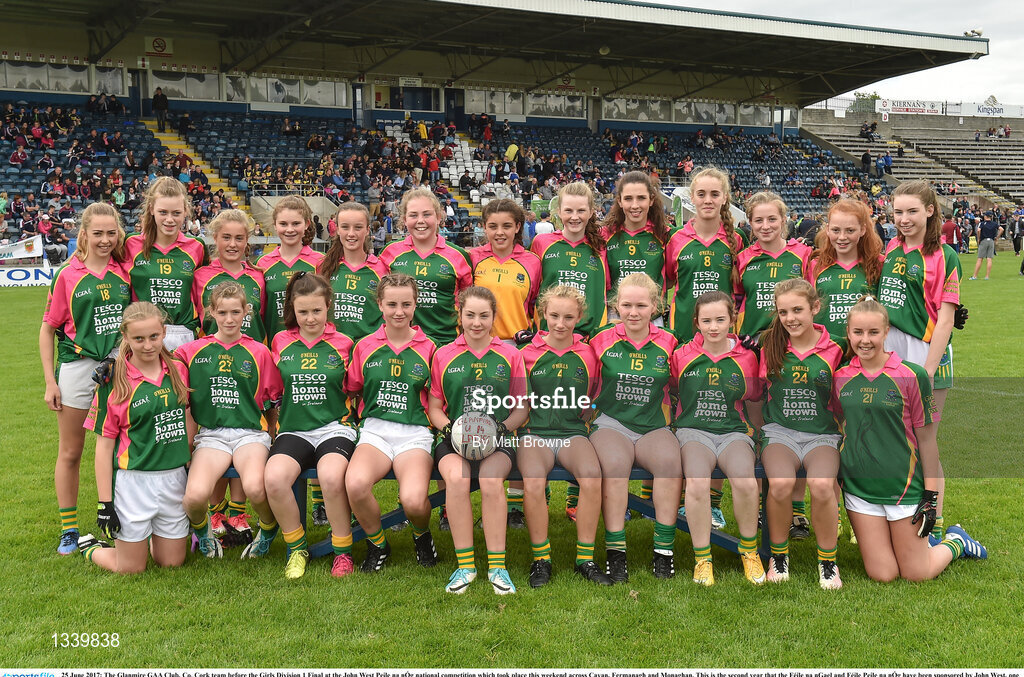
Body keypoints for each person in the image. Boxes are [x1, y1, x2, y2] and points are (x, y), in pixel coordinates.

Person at [836, 296, 986, 581]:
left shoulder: (912, 374)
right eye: (858, 332)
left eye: (873, 332)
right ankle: (901, 544)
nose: (865, 340)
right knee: (883, 574)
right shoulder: (841, 376)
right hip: (859, 489)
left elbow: (928, 441)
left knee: (917, 573)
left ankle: (955, 541)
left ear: (886, 332)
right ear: (848, 333)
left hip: (904, 489)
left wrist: (930, 497)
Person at [40, 202, 131, 555]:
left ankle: (120, 518)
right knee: (72, 451)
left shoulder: (125, 271)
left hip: (118, 368)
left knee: (121, 448)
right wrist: (50, 381)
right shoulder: (67, 274)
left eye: (112, 233)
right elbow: (47, 330)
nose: (105, 240)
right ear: (85, 233)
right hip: (78, 368)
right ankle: (69, 529)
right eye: (98, 233)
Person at [428, 286, 529, 595]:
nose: (476, 322)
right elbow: (434, 407)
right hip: (454, 439)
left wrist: (498, 430)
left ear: (494, 317)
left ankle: (498, 567)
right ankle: (465, 566)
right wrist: (452, 433)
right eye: (470, 315)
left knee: (489, 481)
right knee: (457, 481)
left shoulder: (510, 354)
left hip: (497, 438)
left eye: (484, 315)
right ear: (460, 316)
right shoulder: (443, 354)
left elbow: (522, 407)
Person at [79, 302, 193, 572]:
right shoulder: (114, 381)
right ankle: (91, 547)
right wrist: (104, 503)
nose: (148, 345)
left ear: (164, 332)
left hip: (174, 479)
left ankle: (147, 540)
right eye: (138, 339)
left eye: (154, 336)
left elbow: (189, 416)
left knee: (172, 562)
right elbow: (104, 448)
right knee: (130, 569)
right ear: (126, 338)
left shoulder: (178, 369)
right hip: (133, 483)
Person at [174, 281, 283, 559]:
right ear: (210, 312)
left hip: (250, 434)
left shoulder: (259, 351)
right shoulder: (190, 352)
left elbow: (273, 400)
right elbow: (164, 376)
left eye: (236, 312)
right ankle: (204, 533)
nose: (229, 319)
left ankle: (268, 529)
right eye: (222, 313)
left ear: (247, 311)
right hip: (212, 435)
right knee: (194, 498)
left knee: (256, 489)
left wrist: (272, 434)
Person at [879, 180, 962, 540]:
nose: (904, 219)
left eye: (912, 211)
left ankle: (936, 522)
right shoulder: (892, 248)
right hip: (890, 354)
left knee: (925, 439)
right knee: (897, 437)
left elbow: (945, 318)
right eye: (898, 212)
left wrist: (926, 370)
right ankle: (899, 509)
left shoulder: (947, 255)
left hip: (926, 356)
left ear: (930, 211)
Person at [263, 272, 357, 578]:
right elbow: (274, 390)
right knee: (275, 479)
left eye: (317, 310)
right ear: (293, 308)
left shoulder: (344, 343)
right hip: (294, 429)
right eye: (303, 311)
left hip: (334, 427)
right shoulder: (280, 340)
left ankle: (342, 552)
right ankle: (297, 547)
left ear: (328, 305)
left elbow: (356, 389)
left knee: (331, 478)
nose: (310, 318)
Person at [517, 285, 612, 587]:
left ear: (579, 317)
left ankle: (585, 559)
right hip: (535, 434)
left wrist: (590, 408)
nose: (560, 323)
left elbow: (598, 396)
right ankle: (540, 559)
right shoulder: (526, 353)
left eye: (568, 317)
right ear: (542, 313)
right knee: (532, 480)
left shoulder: (588, 353)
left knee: (591, 476)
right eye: (554, 315)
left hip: (572, 433)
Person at [344, 273, 439, 573]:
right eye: (392, 304)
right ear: (380, 305)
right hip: (376, 431)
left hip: (414, 434)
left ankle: (421, 535)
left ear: (415, 305)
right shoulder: (364, 346)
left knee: (412, 500)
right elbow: (352, 388)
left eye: (406, 304)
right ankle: (377, 543)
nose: (399, 311)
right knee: (356, 485)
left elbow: (438, 398)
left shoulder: (430, 348)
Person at [752, 280, 845, 588]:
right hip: (780, 434)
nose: (790, 318)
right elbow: (755, 396)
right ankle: (779, 556)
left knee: (821, 487)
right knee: (779, 485)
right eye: (783, 312)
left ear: (814, 308)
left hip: (822, 436)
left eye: (797, 310)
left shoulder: (836, 348)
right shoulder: (771, 346)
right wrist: (756, 435)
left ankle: (827, 561)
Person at [590, 273, 681, 581]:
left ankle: (663, 551)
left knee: (670, 465)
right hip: (612, 424)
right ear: (616, 305)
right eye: (626, 305)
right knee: (614, 467)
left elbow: (682, 384)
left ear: (654, 306)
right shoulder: (600, 338)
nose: (633, 312)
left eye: (641, 305)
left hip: (653, 425)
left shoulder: (669, 341)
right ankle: (616, 553)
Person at [671, 290, 763, 586]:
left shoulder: (747, 357)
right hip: (693, 432)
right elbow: (671, 391)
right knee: (696, 483)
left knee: (746, 481)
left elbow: (754, 400)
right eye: (706, 320)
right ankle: (702, 558)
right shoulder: (682, 355)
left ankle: (749, 551)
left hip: (733, 432)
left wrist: (760, 437)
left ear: (732, 320)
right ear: (696, 322)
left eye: (720, 320)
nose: (713, 327)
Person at [379, 188, 472, 346]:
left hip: (446, 343)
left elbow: (467, 304)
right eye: (413, 215)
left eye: (427, 214)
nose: (420, 220)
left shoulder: (459, 255)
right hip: (400, 344)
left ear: (438, 217)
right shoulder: (389, 252)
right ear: (404, 219)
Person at [125, 177, 207, 351]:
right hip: (143, 334)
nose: (170, 219)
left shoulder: (197, 247)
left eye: (176, 213)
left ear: (185, 211)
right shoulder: (131, 244)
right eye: (163, 212)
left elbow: (203, 292)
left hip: (183, 335)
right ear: (151, 209)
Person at [665, 167, 743, 343]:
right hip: (683, 331)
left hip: (724, 333)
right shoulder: (675, 238)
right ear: (691, 197)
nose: (708, 200)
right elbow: (669, 280)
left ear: (724, 198)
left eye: (715, 194)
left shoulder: (737, 239)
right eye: (701, 194)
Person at [531, 182, 609, 338]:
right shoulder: (541, 243)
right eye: (568, 211)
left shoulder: (602, 246)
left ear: (591, 212)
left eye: (581, 211)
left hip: (590, 340)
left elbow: (606, 289)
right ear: (559, 212)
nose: (575, 217)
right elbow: (531, 291)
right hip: (547, 337)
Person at [807, 199, 883, 352]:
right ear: (827, 229)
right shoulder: (815, 265)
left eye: (850, 230)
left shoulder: (879, 264)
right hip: (826, 351)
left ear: (862, 230)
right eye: (836, 230)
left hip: (866, 350)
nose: (842, 237)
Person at [736, 191, 813, 339]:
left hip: (793, 341)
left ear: (783, 220)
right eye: (759, 220)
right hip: (751, 342)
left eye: (772, 219)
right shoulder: (742, 258)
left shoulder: (803, 254)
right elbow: (736, 302)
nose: (765, 226)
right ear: (750, 223)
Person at [470, 198, 541, 344]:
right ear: (485, 227)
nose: (499, 232)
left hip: (518, 345)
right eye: (493, 226)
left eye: (507, 226)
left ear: (517, 227)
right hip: (479, 343)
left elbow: (536, 306)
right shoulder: (473, 258)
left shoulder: (533, 262)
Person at [602, 171, 670, 322]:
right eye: (628, 199)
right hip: (616, 317)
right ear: (619, 201)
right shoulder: (606, 235)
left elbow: (671, 278)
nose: (634, 205)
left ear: (651, 200)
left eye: (641, 198)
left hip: (653, 319)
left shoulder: (664, 235)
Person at [319, 202, 391, 344]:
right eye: (345, 227)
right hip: (332, 351)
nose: (351, 234)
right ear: (338, 229)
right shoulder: (323, 266)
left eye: (358, 227)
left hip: (370, 350)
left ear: (367, 230)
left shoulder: (382, 269)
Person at [192, 209, 267, 343]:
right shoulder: (199, 276)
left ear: (246, 240)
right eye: (226, 237)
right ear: (215, 238)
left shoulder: (259, 277)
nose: (232, 244)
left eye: (239, 238)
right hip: (213, 358)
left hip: (252, 358)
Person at [257, 195, 324, 341]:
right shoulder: (262, 264)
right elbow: (260, 312)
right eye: (283, 224)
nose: (289, 229)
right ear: (275, 225)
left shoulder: (320, 261)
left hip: (314, 346)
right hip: (276, 349)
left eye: (295, 223)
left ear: (306, 224)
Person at [970, 211, 1003, 280]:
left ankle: (975, 276)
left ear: (985, 216)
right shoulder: (994, 223)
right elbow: (1001, 229)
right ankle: (987, 276)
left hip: (984, 240)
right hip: (991, 241)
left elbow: (978, 230)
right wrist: (997, 237)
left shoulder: (982, 223)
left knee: (980, 258)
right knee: (989, 259)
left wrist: (978, 238)